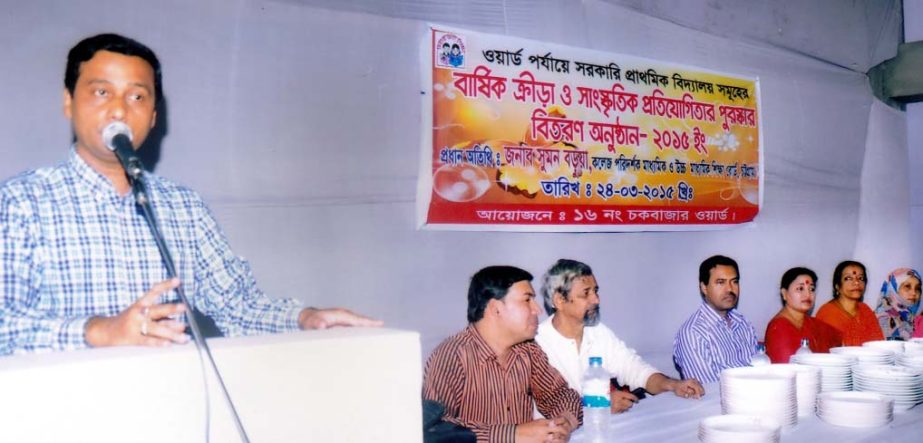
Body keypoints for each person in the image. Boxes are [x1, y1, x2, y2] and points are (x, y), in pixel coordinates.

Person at [0, 33, 380, 355]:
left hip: (173, 402)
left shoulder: (183, 206)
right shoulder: (21, 202)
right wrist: (101, 332)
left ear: (152, 116)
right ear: (69, 101)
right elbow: (4, 326)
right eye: (101, 92)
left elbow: (237, 306)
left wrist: (305, 318)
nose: (119, 108)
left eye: (137, 97)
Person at [422, 265, 581, 443]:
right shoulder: (452, 355)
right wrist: (513, 435)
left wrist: (564, 422)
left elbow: (560, 395)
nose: (538, 310)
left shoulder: (527, 350)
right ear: (496, 308)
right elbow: (435, 430)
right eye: (527, 300)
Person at [535, 259, 704, 415]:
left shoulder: (598, 332)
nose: (596, 299)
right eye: (586, 293)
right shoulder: (538, 344)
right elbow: (546, 406)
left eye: (595, 291)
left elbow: (633, 368)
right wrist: (600, 404)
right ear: (559, 300)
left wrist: (673, 384)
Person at [673, 255, 758, 384]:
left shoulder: (743, 323)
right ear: (704, 288)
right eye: (720, 282)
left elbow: (759, 372)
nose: (730, 289)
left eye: (734, 281)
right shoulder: (693, 333)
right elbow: (708, 392)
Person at [764, 267, 841, 363]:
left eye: (812, 289)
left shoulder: (813, 323)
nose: (808, 294)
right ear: (784, 293)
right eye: (800, 288)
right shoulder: (778, 327)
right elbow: (789, 369)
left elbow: (840, 340)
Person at [815, 260, 884, 346]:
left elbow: (878, 344)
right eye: (848, 278)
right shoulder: (828, 313)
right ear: (837, 286)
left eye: (861, 278)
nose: (856, 282)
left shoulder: (865, 309)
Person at [874, 268, 922, 340]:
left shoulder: (915, 320)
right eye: (907, 286)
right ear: (892, 289)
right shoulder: (881, 319)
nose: (914, 293)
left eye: (917, 288)